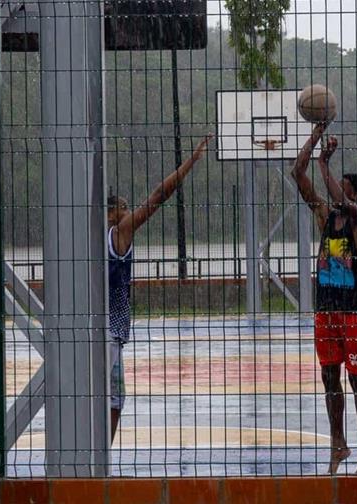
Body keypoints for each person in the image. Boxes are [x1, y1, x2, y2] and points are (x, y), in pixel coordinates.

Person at [106, 135, 212, 442]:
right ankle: (101, 461)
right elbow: (158, 196)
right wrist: (190, 162)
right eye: (124, 207)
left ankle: (93, 460)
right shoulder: (118, 233)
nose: (129, 211)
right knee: (112, 400)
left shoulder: (84, 237)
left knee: (98, 400)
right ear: (113, 213)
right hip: (108, 333)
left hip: (88, 329)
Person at [291, 123, 357, 475]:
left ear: (355, 193)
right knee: (329, 378)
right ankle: (338, 443)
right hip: (326, 310)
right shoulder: (326, 217)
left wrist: (324, 165)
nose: (336, 191)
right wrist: (315, 139)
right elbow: (297, 173)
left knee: (356, 377)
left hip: (353, 310)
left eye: (342, 186)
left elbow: (342, 201)